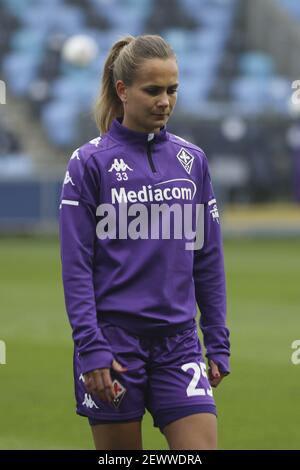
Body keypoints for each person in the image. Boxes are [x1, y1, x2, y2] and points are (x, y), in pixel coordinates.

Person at [59, 34, 230, 450]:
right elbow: (76, 267)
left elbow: (207, 257)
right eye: (152, 90)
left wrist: (217, 339)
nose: (165, 101)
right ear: (123, 90)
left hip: (179, 344)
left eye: (172, 90)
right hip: (112, 345)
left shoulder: (192, 161)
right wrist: (90, 347)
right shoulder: (89, 164)